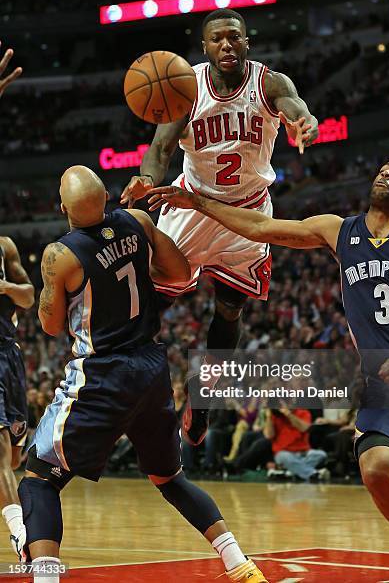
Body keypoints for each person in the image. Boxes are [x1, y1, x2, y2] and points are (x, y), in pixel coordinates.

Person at [147, 159, 389, 580]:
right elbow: (261, 229)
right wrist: (196, 202)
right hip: (383, 383)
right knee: (376, 470)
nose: (387, 171)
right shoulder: (339, 230)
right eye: (384, 167)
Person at [18, 166, 268, 583]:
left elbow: (50, 324)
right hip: (151, 368)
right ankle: (240, 565)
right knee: (169, 478)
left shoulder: (59, 255)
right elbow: (179, 273)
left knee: (40, 478)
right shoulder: (137, 221)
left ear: (62, 207)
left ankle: (46, 578)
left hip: (102, 373)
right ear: (105, 197)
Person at [120, 7, 319, 447]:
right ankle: (123, 384)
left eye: (234, 37)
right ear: (205, 46)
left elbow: (296, 107)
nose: (227, 45)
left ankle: (202, 395)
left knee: (230, 310)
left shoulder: (270, 82)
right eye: (218, 39)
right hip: (191, 205)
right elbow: (161, 148)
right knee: (151, 302)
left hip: (246, 215)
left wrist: (306, 122)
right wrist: (147, 180)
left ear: (246, 41)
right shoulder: (186, 87)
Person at [0, 41, 33, 561]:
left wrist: (5, 288)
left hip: (5, 352)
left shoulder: (3, 245)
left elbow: (30, 298)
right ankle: (22, 537)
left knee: (12, 455)